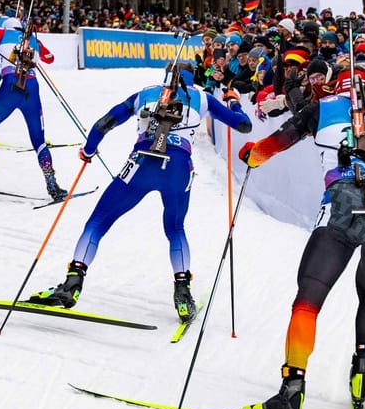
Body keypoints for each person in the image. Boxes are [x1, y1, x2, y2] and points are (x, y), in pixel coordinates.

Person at [234, 72, 365, 409]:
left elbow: (272, 145)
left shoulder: (321, 107)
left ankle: (291, 390)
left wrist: (250, 154)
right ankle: (362, 369)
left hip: (343, 205)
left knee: (309, 299)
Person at [30, 64, 252, 323]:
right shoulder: (203, 98)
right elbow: (244, 125)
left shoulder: (145, 94)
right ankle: (182, 293)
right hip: (178, 168)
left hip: (142, 162)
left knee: (98, 221)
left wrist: (89, 150)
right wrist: (234, 102)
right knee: (175, 229)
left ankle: (73, 282)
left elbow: (105, 123)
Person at [0, 33, 66, 202]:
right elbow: (50, 58)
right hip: (31, 89)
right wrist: (37, 46)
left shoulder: (1, 33)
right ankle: (52, 184)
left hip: (9, 88)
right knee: (39, 142)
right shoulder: (34, 40)